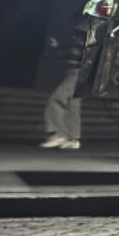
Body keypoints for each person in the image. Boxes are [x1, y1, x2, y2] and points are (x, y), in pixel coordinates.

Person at [40, 18, 87, 150]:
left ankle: (58, 133)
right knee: (73, 105)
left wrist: (57, 47)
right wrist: (56, 47)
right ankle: (73, 138)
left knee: (56, 99)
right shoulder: (76, 44)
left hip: (76, 75)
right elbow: (64, 53)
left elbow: (67, 52)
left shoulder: (81, 44)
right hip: (75, 75)